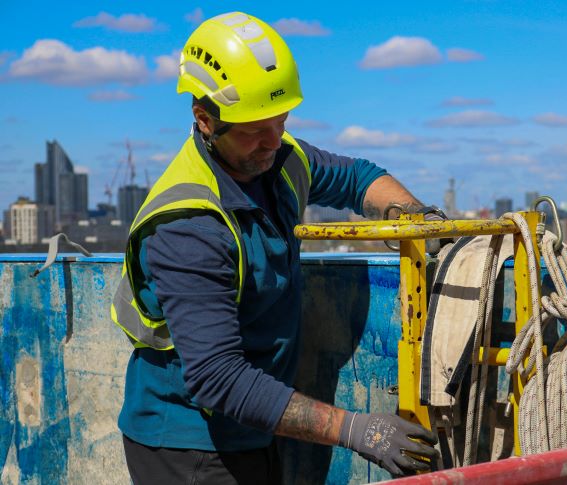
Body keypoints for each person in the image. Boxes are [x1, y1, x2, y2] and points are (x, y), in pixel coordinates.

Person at [111, 11, 441, 484]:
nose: (273, 141)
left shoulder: (280, 158)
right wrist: (356, 429)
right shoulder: (189, 225)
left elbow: (357, 178)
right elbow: (217, 378)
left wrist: (418, 222)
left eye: (280, 121)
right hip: (189, 449)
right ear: (205, 120)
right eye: (252, 130)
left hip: (253, 429)